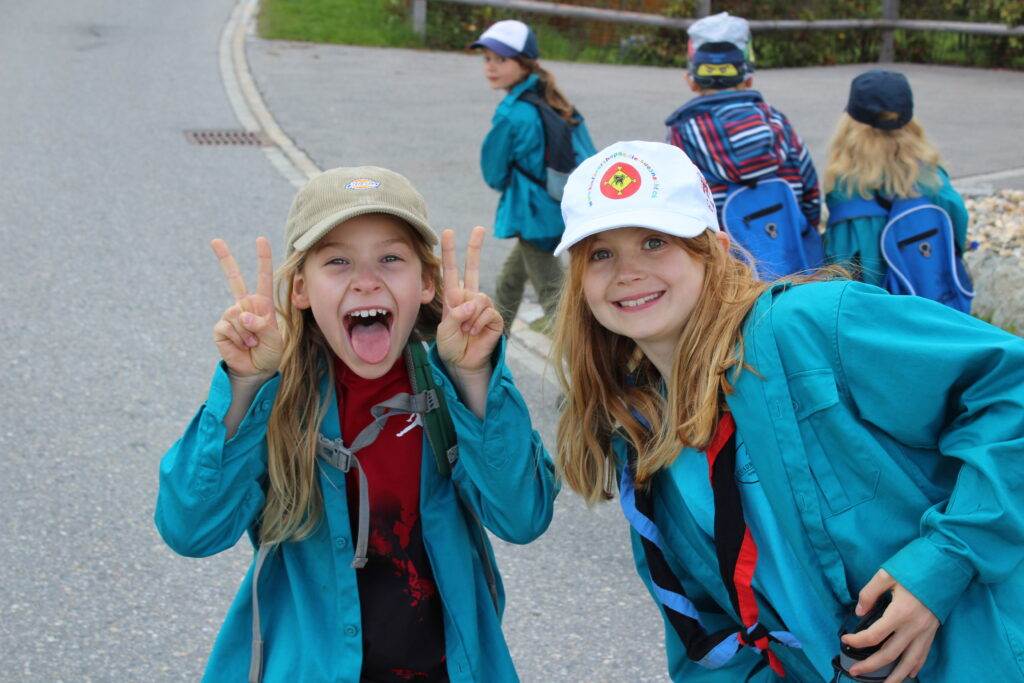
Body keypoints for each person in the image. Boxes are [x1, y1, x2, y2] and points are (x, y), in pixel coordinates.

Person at [550, 140, 1024, 682]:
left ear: (713, 250)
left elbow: (1011, 392)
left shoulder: (808, 325)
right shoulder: (639, 433)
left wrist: (945, 560)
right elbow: (705, 633)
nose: (627, 272)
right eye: (600, 254)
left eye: (654, 242)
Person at [155, 166, 557, 682]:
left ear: (426, 282)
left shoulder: (450, 390)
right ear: (301, 289)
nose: (366, 280)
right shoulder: (278, 400)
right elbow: (190, 530)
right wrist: (245, 384)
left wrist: (474, 375)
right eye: (338, 261)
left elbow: (522, 518)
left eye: (390, 258)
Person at [665, 12, 823, 279]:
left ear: (691, 80)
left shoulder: (681, 133)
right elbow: (810, 191)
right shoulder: (777, 122)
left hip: (727, 270)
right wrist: (806, 230)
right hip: (791, 255)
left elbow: (678, 204)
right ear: (748, 78)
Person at [472, 19, 596, 331]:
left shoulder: (513, 114)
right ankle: (493, 345)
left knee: (556, 302)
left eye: (501, 59)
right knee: (510, 281)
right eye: (487, 58)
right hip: (557, 206)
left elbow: (494, 172)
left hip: (533, 215)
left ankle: (584, 358)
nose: (491, 66)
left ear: (524, 64)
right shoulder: (555, 100)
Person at [823, 70, 971, 308]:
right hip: (933, 298)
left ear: (851, 123)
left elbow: (841, 261)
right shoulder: (932, 177)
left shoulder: (845, 188)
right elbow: (958, 224)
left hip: (877, 310)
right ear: (910, 121)